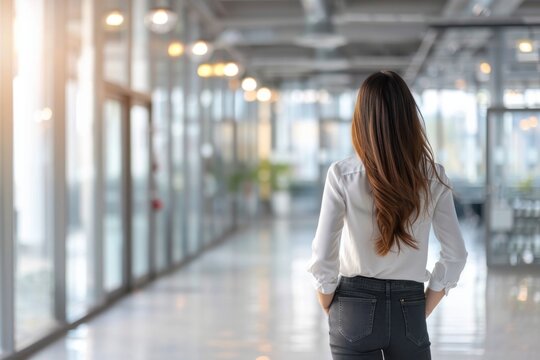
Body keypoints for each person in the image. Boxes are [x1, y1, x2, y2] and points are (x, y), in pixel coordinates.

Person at [307, 70, 468, 360]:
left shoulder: (343, 175)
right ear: (409, 119)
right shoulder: (433, 176)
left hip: (353, 305)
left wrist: (327, 300)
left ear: (361, 119)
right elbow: (456, 254)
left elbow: (323, 254)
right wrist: (423, 306)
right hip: (410, 306)